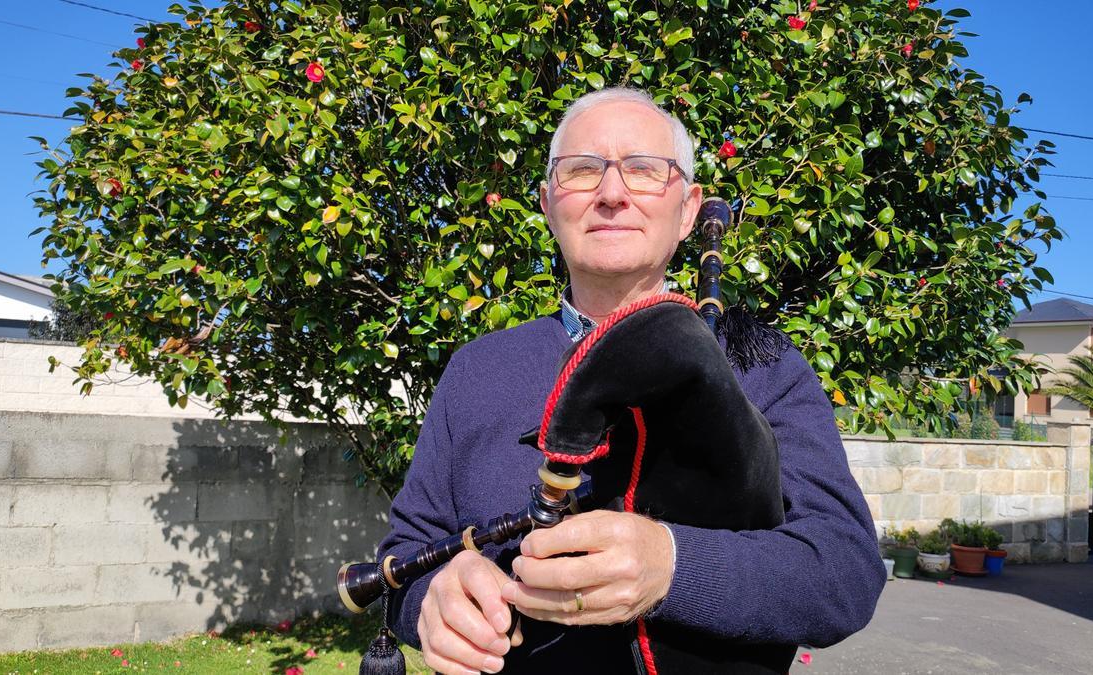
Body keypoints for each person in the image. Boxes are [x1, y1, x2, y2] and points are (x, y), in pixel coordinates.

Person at [377, 87, 885, 675]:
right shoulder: (478, 368)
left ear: (689, 209)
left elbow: (846, 572)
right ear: (547, 203)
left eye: (644, 170)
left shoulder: (761, 365)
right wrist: (428, 602)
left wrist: (671, 567)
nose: (611, 193)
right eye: (581, 170)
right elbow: (408, 550)